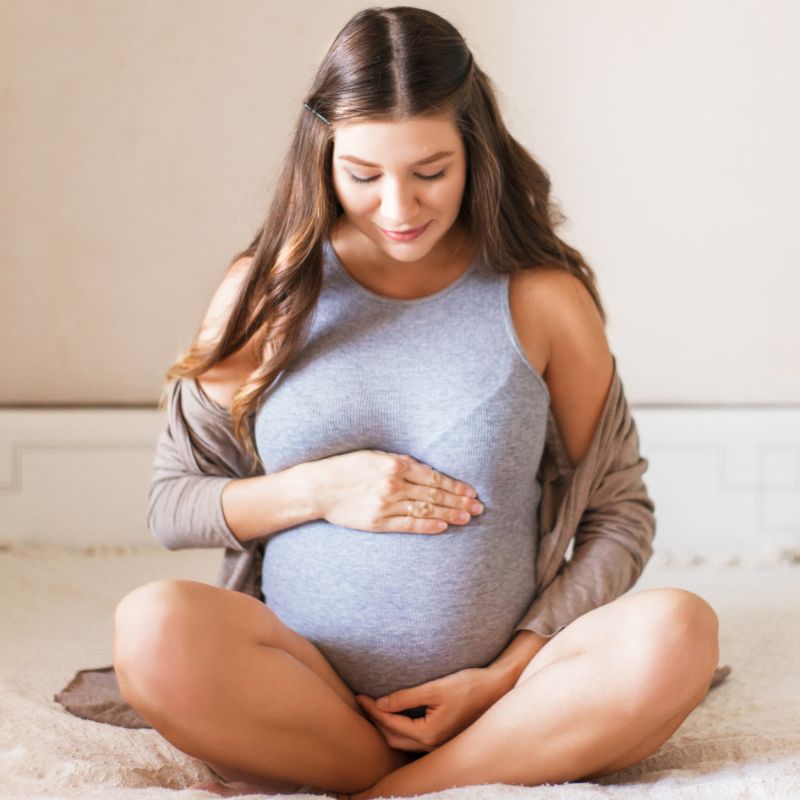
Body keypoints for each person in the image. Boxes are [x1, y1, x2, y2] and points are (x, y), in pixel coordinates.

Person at [111, 6, 721, 799]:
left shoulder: (542, 298)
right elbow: (173, 506)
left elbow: (619, 512)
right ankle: (442, 781)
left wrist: (505, 676)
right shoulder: (261, 294)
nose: (398, 209)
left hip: (506, 702)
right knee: (152, 627)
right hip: (303, 691)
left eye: (430, 171)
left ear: (477, 152)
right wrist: (324, 489)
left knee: (679, 630)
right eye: (363, 175)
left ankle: (400, 787)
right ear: (322, 157)